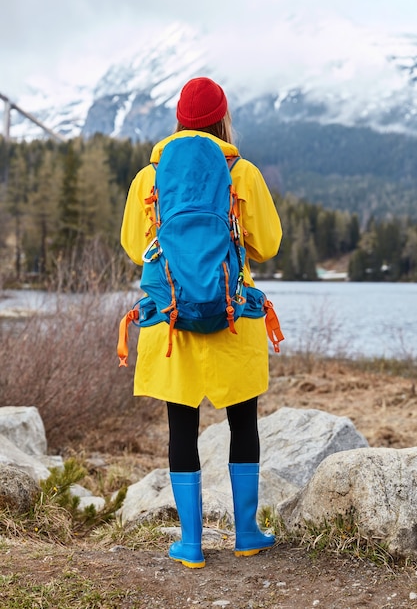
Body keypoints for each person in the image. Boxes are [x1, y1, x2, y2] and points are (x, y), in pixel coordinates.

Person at [120, 77, 282, 569]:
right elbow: (268, 244)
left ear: (179, 120)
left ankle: (191, 543)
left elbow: (134, 246)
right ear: (222, 118)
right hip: (232, 315)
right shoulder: (241, 170)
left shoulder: (150, 177)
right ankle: (247, 532)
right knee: (243, 423)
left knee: (181, 426)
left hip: (171, 320)